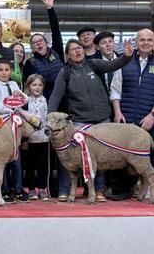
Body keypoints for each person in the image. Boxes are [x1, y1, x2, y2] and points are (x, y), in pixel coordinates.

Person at [48, 38, 133, 201]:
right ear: (68, 55)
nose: (77, 51)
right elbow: (55, 96)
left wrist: (126, 57)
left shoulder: (94, 64)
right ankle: (64, 190)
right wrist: (50, 118)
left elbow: (114, 65)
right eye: (73, 49)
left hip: (103, 119)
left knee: (100, 157)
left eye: (79, 47)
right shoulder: (64, 72)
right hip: (80, 122)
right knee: (69, 156)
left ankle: (99, 190)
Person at [109, 28, 154, 201]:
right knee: (122, 156)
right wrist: (117, 112)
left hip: (150, 120)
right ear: (136, 42)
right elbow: (115, 90)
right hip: (126, 119)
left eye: (149, 40)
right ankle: (123, 190)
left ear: (153, 42)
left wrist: (153, 115)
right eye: (142, 40)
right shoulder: (124, 62)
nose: (145, 43)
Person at [0, 58, 28, 202]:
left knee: (16, 157)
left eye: (7, 70)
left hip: (15, 126)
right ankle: (3, 189)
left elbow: (25, 100)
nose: (4, 73)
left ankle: (18, 188)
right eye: (0, 70)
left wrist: (21, 96)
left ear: (11, 71)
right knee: (1, 159)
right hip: (0, 125)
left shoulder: (14, 84)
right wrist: (13, 110)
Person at [22, 0, 65, 99]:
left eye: (41, 41)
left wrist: (50, 9)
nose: (38, 43)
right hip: (44, 99)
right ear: (32, 48)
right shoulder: (30, 63)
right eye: (35, 43)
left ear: (46, 43)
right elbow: (27, 84)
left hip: (65, 95)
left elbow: (56, 31)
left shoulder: (57, 51)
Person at [22, 74, 49, 200]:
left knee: (43, 164)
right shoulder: (25, 102)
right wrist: (24, 140)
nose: (37, 88)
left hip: (44, 138)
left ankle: (43, 188)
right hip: (30, 139)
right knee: (30, 165)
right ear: (28, 86)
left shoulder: (46, 100)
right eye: (34, 85)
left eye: (40, 85)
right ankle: (32, 189)